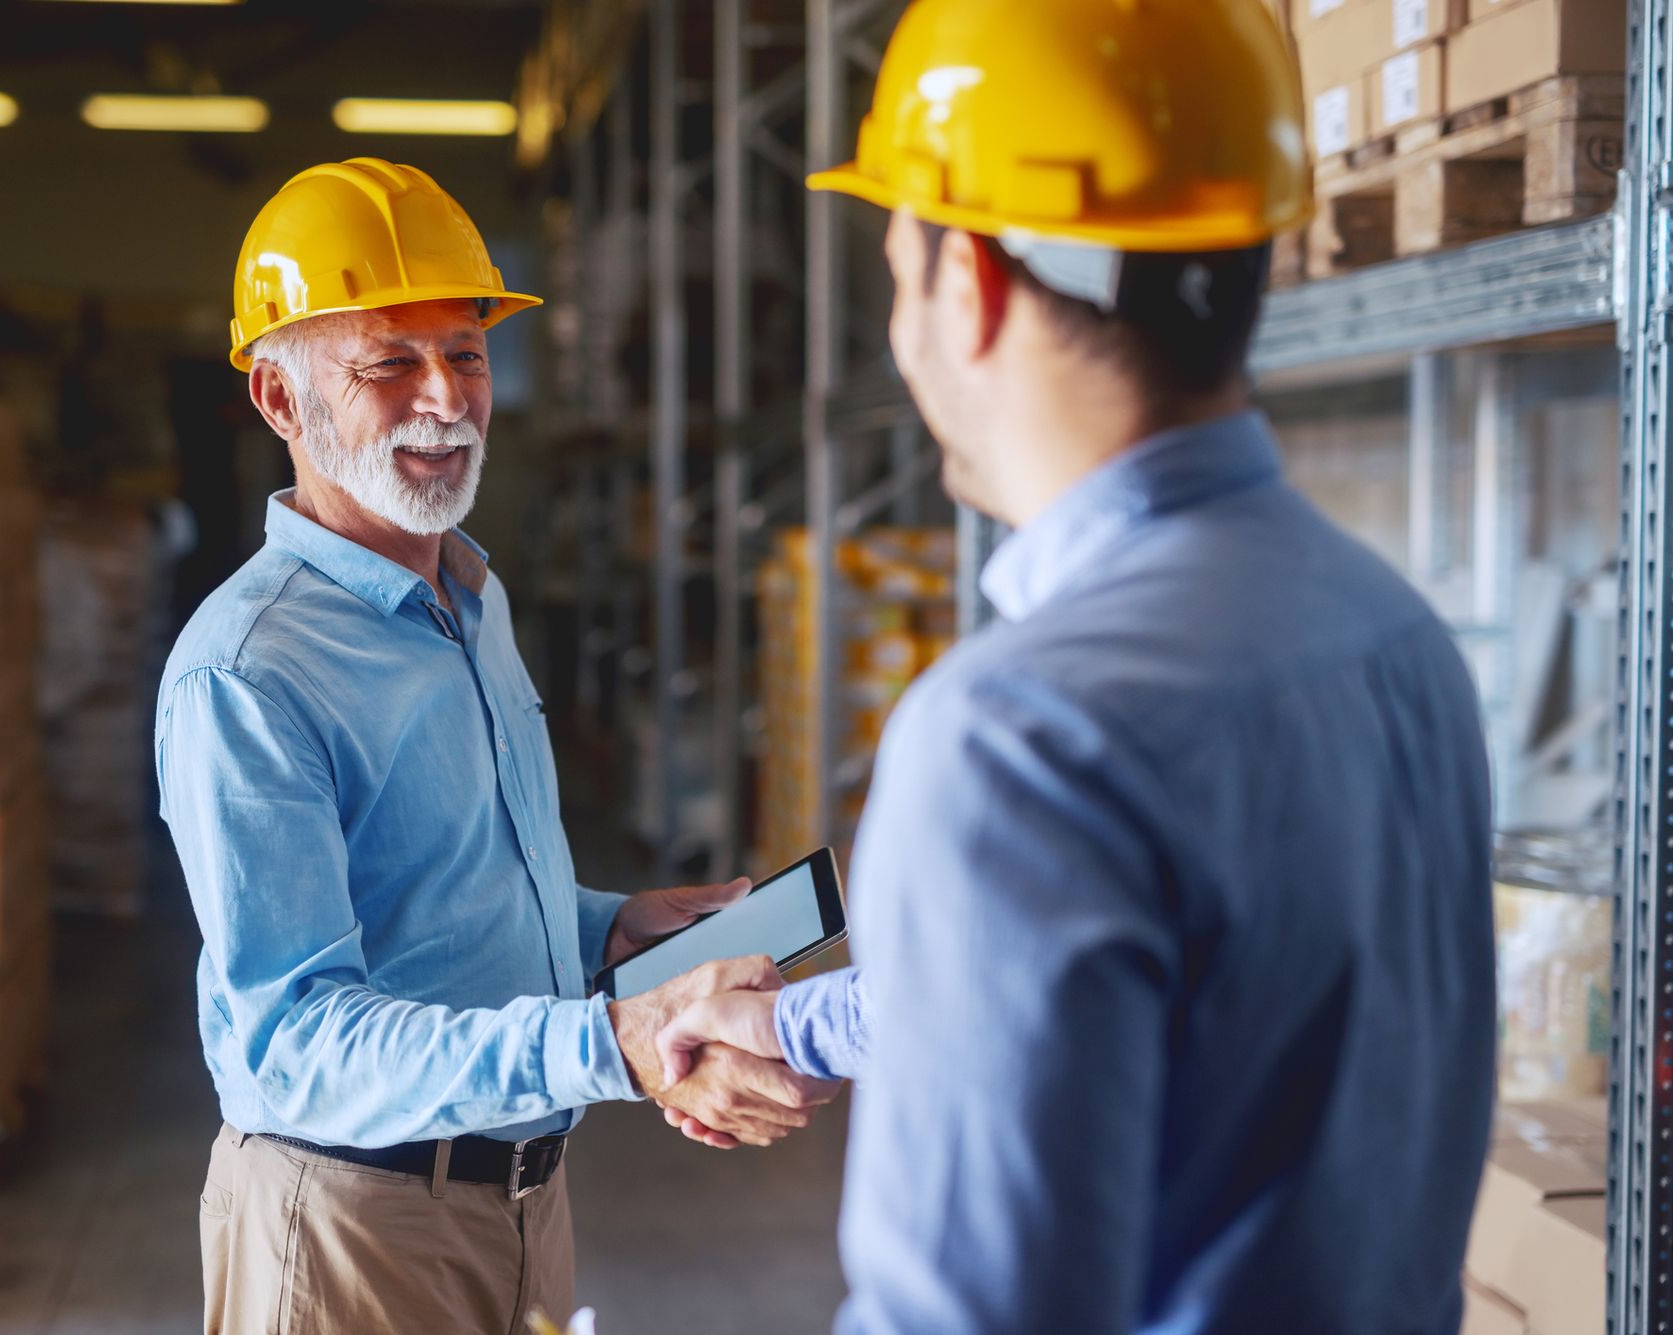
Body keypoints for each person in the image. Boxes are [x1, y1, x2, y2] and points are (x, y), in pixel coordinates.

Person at [658, 1, 1497, 1331]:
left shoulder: (1015, 738)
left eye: (894, 268)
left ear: (969, 286)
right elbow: (1143, 1002)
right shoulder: (1397, 641)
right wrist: (798, 1027)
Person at [157, 157, 836, 1335]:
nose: (445, 399)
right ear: (277, 400)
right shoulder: (249, 675)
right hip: (352, 1229)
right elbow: (297, 1042)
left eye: (464, 355)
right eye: (389, 364)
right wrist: (614, 1040)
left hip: (523, 1201)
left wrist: (605, 929)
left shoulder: (470, 597)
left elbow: (439, 892)